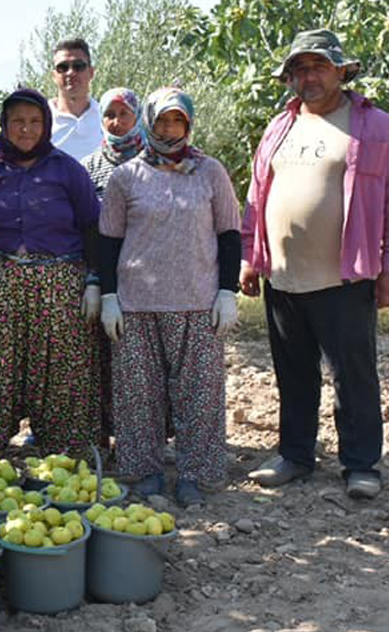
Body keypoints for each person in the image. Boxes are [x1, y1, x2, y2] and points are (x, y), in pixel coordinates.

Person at [239, 29, 389, 500]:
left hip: (344, 275)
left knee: (353, 372)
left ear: (340, 70)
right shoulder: (280, 126)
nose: (308, 77)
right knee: (293, 371)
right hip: (283, 276)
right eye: (299, 69)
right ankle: (295, 454)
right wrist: (251, 257)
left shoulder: (373, 126)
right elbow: (258, 196)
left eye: (318, 66)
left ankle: (361, 463)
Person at [0, 88, 103, 461]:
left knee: (61, 370)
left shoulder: (67, 170)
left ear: (46, 125)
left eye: (34, 121)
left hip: (59, 285)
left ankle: (63, 455)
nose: (26, 129)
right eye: (18, 121)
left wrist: (95, 281)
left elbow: (92, 228)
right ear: (4, 125)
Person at [99, 87, 240, 506]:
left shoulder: (210, 172)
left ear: (189, 124)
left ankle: (197, 473)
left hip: (198, 302)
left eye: (177, 120)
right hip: (137, 304)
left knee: (201, 393)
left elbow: (229, 236)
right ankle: (144, 471)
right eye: (161, 120)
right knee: (138, 394)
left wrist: (227, 292)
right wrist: (108, 296)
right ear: (148, 122)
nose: (169, 128)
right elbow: (108, 242)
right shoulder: (126, 177)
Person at [80, 87, 146, 450]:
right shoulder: (88, 167)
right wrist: (93, 281)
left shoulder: (154, 161)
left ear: (138, 117)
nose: (116, 121)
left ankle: (141, 438)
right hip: (102, 276)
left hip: (146, 278)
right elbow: (84, 228)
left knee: (140, 361)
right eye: (109, 114)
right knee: (100, 360)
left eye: (124, 114)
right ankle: (101, 435)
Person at [49, 38, 103, 161]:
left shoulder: (105, 118)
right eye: (62, 67)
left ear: (91, 72)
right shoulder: (42, 120)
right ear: (54, 76)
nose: (70, 73)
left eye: (78, 66)